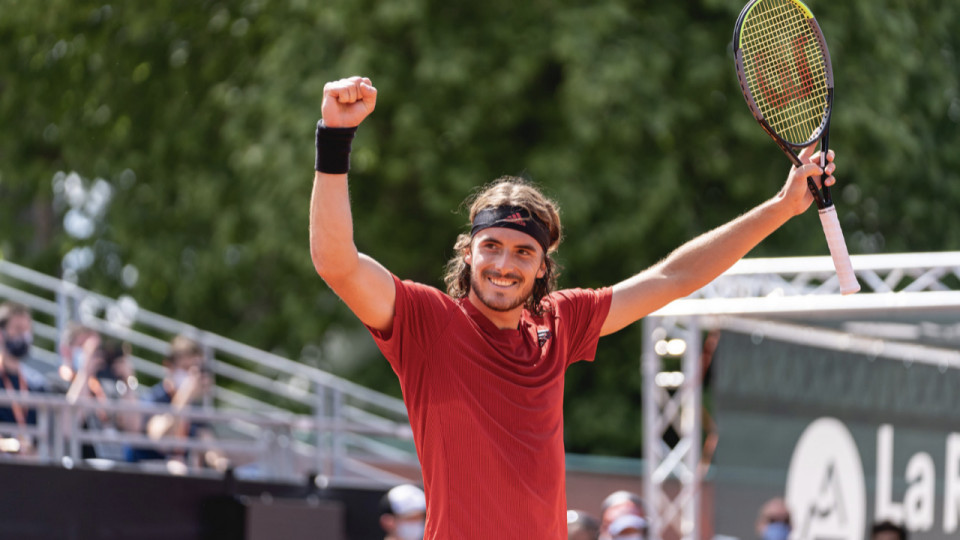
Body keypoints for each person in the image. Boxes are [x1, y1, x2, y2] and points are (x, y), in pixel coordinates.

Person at [309, 76, 840, 539]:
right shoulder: (427, 322)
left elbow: (674, 277)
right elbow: (338, 263)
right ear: (467, 252)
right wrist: (335, 138)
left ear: (542, 266)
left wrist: (783, 206)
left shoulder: (559, 322)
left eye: (523, 252)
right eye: (491, 246)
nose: (503, 263)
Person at [135, 334, 227, 470]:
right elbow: (159, 439)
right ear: (169, 367)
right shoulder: (154, 398)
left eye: (195, 371)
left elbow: (209, 446)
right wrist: (185, 394)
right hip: (145, 474)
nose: (192, 377)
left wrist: (223, 465)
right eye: (186, 368)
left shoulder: (194, 407)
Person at [0, 301, 43, 453]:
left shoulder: (36, 383)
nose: (24, 336)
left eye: (27, 330)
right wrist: (11, 446)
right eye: (18, 329)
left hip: (31, 465)